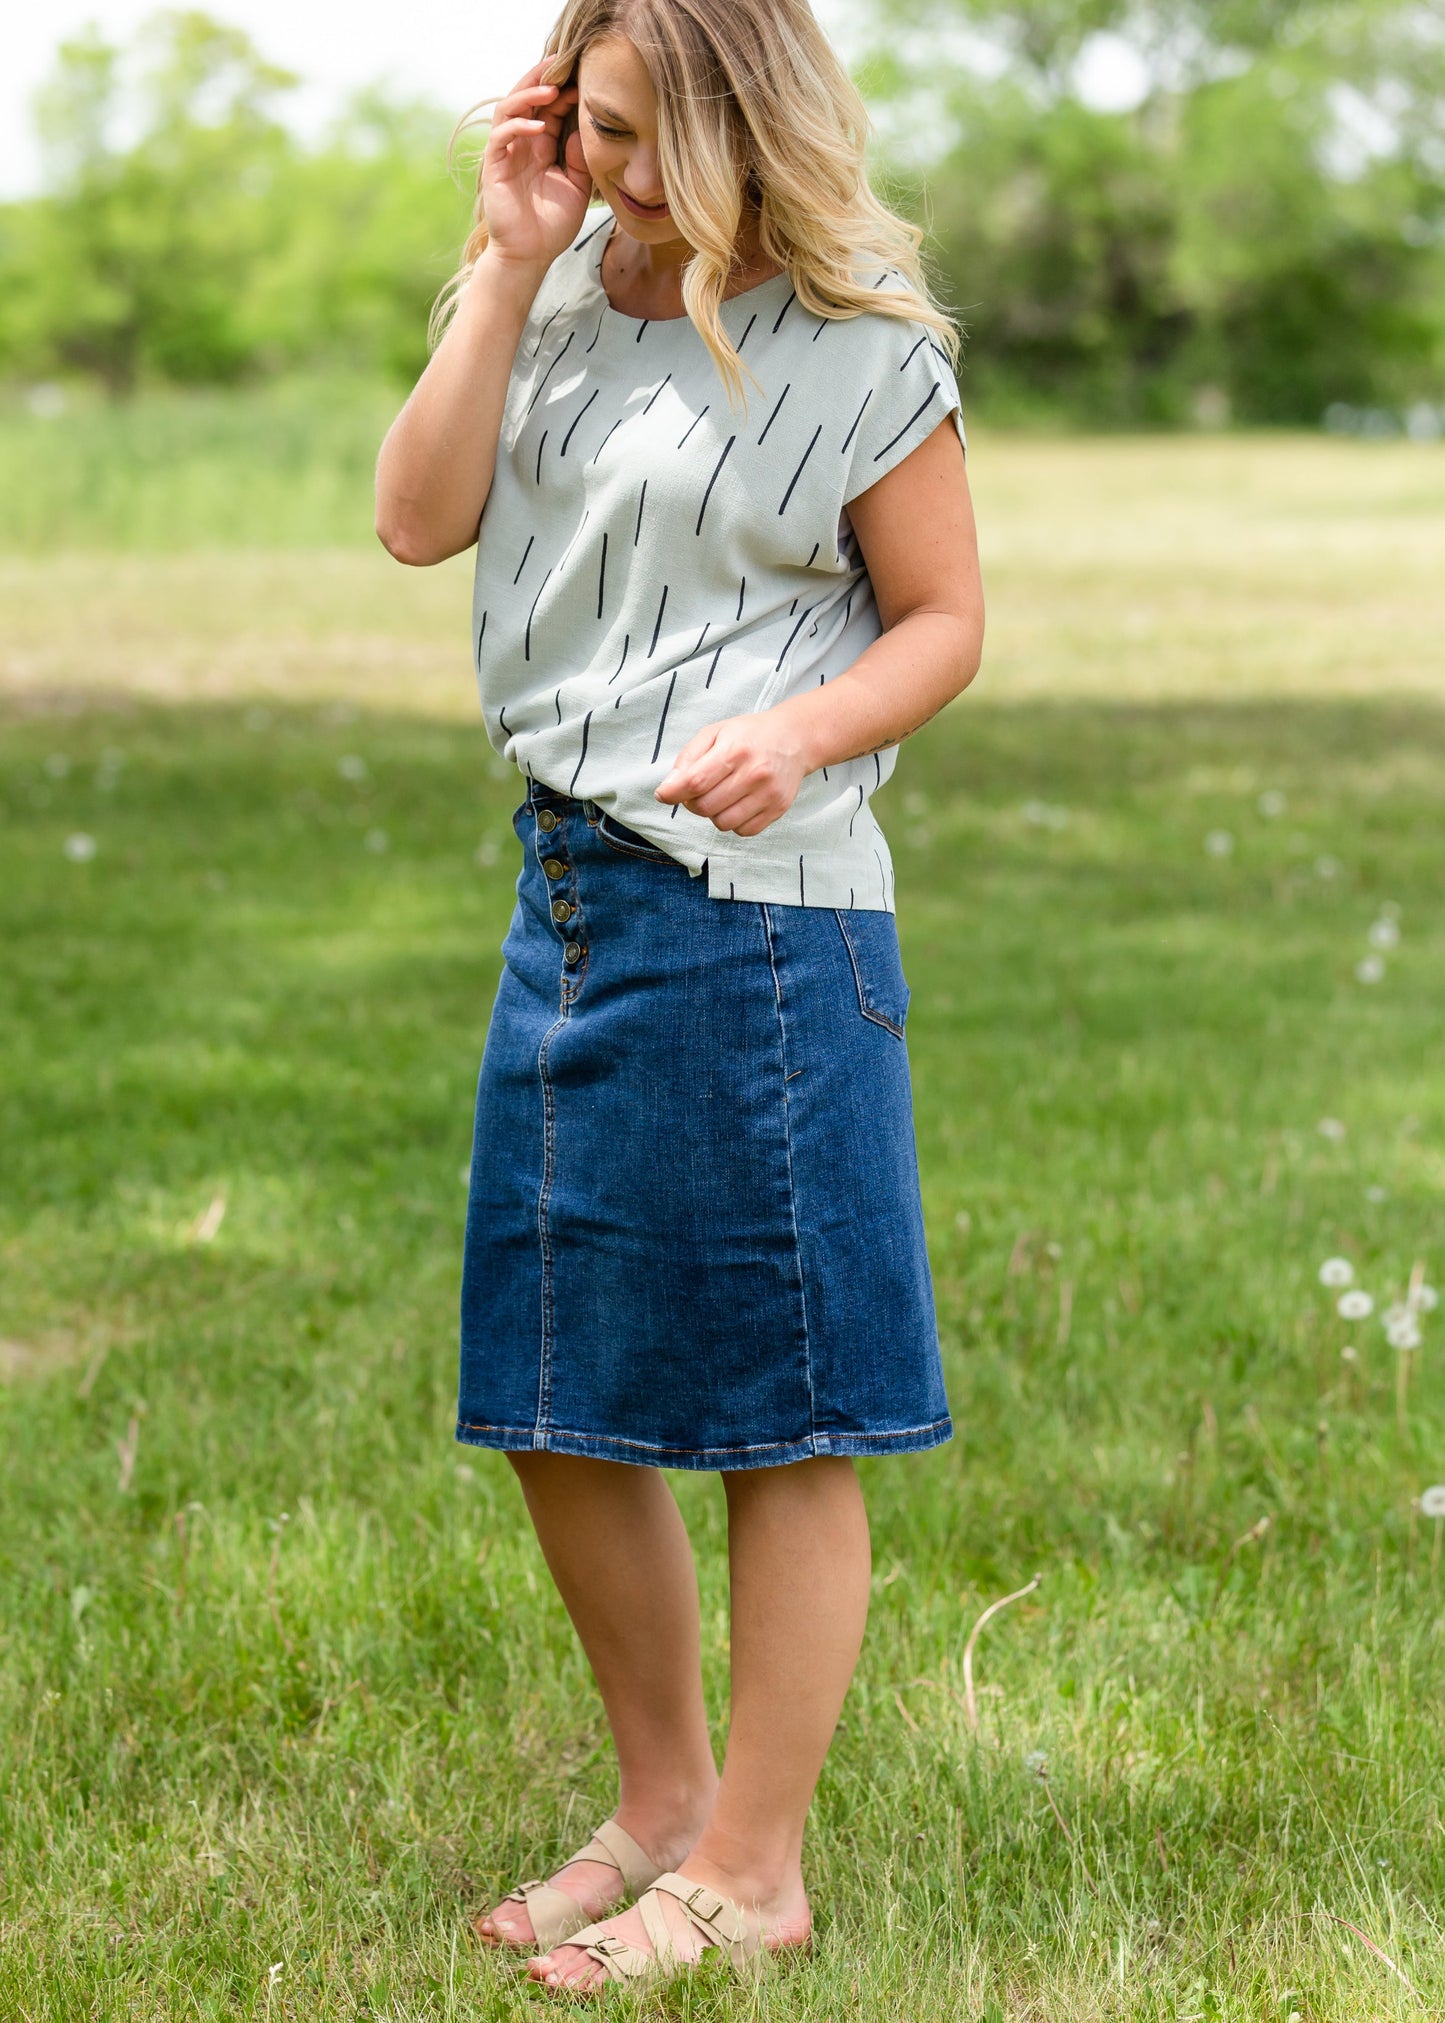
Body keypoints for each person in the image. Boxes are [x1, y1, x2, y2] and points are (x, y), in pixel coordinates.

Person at [375, 0, 983, 1994]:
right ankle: (655, 1802)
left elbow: (948, 624)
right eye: (588, 122)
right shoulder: (547, 290)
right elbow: (413, 515)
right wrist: (505, 251)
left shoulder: (867, 350)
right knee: (561, 1395)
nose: (614, 168)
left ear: (741, 123)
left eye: (641, 138)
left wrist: (804, 729)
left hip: (763, 917)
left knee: (781, 1419)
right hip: (566, 896)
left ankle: (751, 1865)